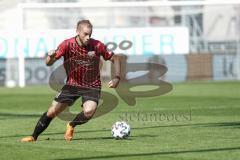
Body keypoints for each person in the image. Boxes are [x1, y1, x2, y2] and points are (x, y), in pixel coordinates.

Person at [21, 20, 121, 142]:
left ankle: (71, 125)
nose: (88, 37)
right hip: (72, 84)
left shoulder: (97, 45)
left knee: (89, 111)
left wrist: (117, 77)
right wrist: (50, 57)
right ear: (77, 32)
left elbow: (115, 58)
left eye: (90, 34)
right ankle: (33, 136)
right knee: (52, 111)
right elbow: (48, 63)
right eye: (85, 34)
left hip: (92, 85)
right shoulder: (67, 45)